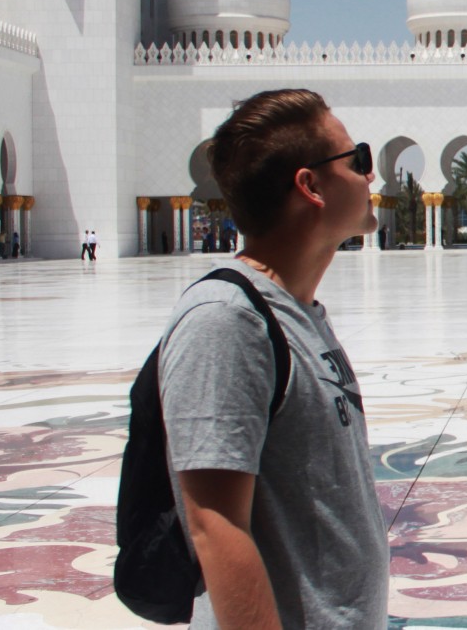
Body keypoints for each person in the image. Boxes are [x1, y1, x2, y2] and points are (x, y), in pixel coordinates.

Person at [155, 88, 389, 627]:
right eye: (358, 161)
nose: (370, 176)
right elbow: (216, 525)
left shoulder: (300, 313)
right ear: (310, 185)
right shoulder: (225, 319)